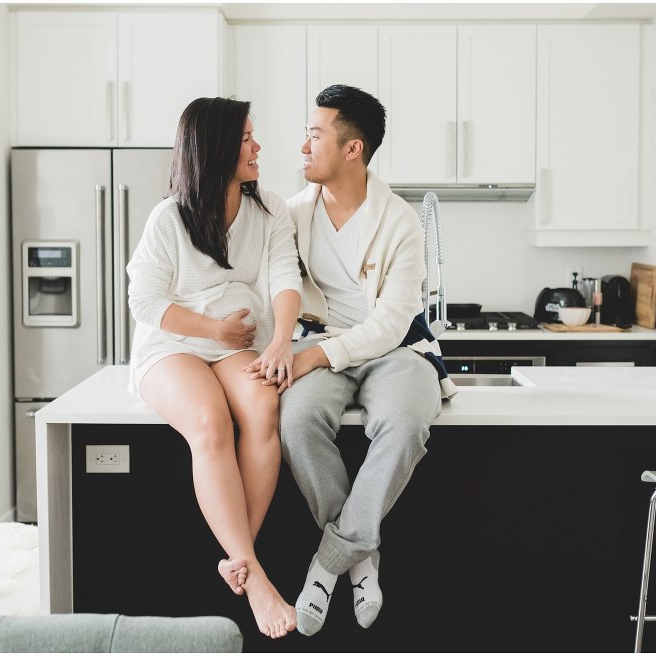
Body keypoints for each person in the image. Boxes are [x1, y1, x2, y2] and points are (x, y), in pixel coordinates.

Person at [247, 84, 458, 636]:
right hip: (317, 346)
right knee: (295, 421)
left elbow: (390, 323)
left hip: (393, 350)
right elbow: (272, 284)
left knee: (408, 421)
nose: (302, 147)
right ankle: (361, 558)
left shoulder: (401, 222)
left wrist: (315, 355)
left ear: (352, 149)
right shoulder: (289, 215)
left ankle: (326, 563)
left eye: (315, 135)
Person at [126, 97, 302, 639]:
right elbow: (146, 302)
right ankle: (257, 582)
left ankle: (237, 562)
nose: (258, 146)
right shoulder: (169, 217)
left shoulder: (269, 210)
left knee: (263, 404)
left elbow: (284, 280)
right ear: (218, 148)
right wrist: (215, 330)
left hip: (237, 344)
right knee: (209, 421)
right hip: (173, 343)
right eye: (247, 137)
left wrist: (281, 344)